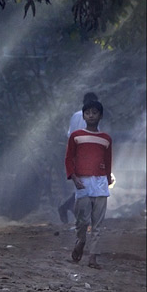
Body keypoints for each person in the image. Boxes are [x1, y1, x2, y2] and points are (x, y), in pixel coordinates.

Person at [65, 100, 113, 269]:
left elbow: (108, 161)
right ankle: (81, 240)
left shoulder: (106, 139)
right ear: (83, 115)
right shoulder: (76, 136)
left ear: (100, 115)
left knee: (98, 224)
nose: (91, 115)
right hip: (82, 182)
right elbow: (69, 158)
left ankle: (93, 257)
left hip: (100, 183)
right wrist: (73, 177)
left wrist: (108, 179)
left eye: (94, 112)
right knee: (82, 220)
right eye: (88, 113)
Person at [58, 92, 100, 223]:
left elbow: (70, 136)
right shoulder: (93, 119)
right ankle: (67, 208)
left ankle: (71, 210)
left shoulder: (76, 116)